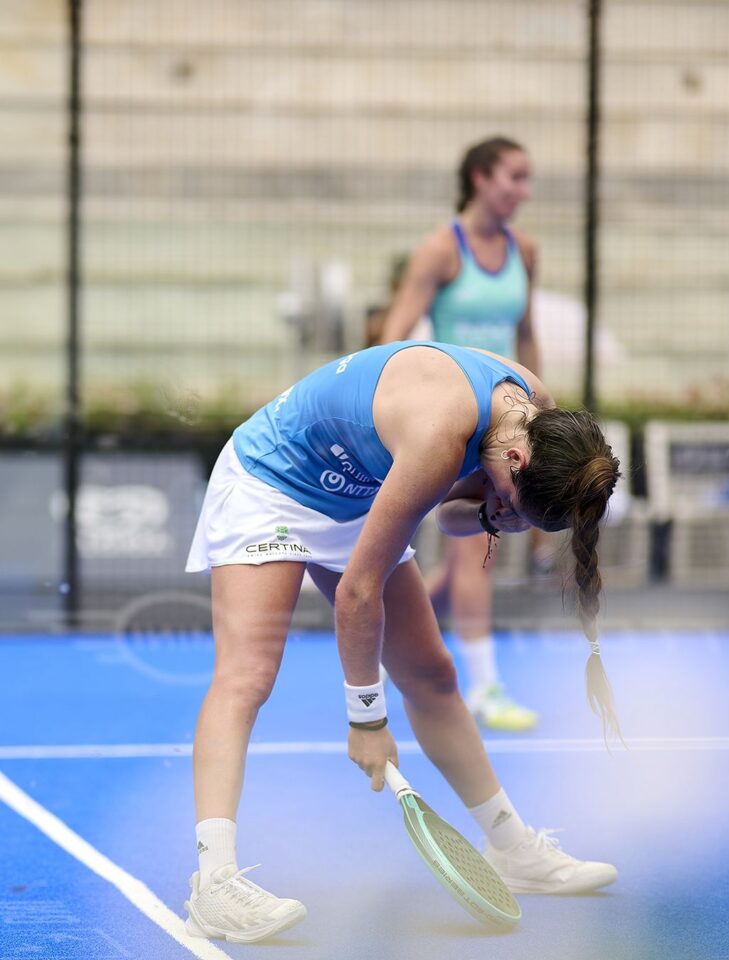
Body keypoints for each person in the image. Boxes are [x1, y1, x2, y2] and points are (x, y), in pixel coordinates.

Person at [182, 340, 621, 943]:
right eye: (516, 500)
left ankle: (513, 848)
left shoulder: (537, 418)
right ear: (517, 457)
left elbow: (451, 515)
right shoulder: (442, 433)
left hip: (357, 493)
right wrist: (366, 719)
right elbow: (357, 595)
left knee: (434, 674)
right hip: (273, 481)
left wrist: (496, 515)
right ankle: (213, 883)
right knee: (248, 676)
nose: (509, 508)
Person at [379, 136, 554, 732]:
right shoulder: (439, 250)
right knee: (477, 548)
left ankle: (380, 644)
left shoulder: (523, 251)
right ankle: (483, 687)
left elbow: (527, 335)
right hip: (457, 417)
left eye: (528, 179)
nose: (523, 191)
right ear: (481, 179)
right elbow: (394, 333)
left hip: (508, 417)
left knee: (461, 566)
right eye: (515, 177)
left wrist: (541, 411)